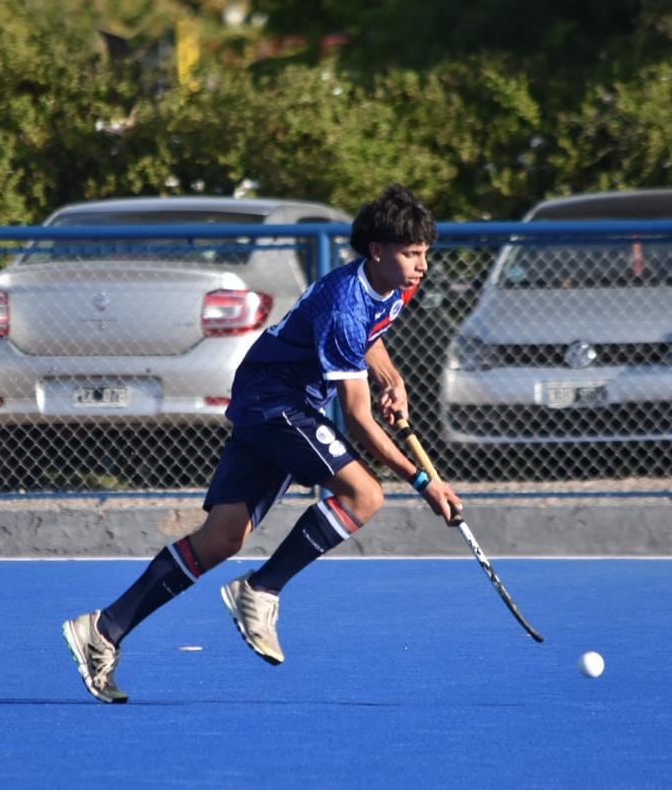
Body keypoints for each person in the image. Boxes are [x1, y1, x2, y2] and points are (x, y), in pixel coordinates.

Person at [62, 183, 463, 703]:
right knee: (365, 494)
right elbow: (360, 420)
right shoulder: (344, 304)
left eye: (426, 253)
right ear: (378, 251)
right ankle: (260, 589)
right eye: (412, 254)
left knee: (223, 537)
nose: (422, 266)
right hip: (276, 401)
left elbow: (373, 335)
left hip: (278, 399)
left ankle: (104, 630)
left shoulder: (397, 286)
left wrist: (392, 379)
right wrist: (425, 480)